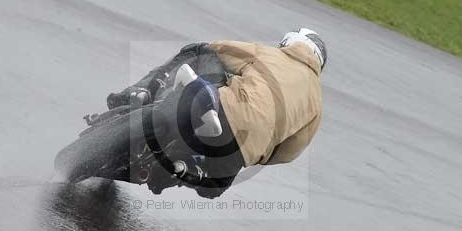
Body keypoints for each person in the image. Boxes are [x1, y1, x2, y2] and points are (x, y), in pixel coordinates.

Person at [106, 28, 326, 197]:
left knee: (200, 50)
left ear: (289, 42)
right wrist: (254, 152)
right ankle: (183, 170)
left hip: (224, 109)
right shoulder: (316, 104)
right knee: (212, 188)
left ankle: (144, 91)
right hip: (238, 153)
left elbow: (218, 49)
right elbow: (288, 153)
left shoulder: (270, 55)